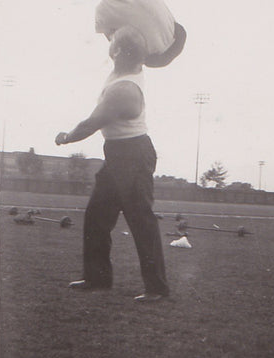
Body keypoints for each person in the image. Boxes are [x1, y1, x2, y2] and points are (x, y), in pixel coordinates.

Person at [55, 23, 186, 302]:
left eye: (113, 44)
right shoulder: (131, 65)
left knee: (141, 221)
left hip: (133, 155)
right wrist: (172, 30)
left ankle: (157, 289)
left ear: (116, 52)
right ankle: (97, 279)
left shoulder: (124, 89)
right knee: (96, 218)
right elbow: (145, 49)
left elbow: (92, 123)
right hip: (118, 154)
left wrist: (66, 137)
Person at [87, 0, 186, 66]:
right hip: (179, 34)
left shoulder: (101, 11)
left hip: (155, 59)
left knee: (119, 40)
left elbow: (115, 44)